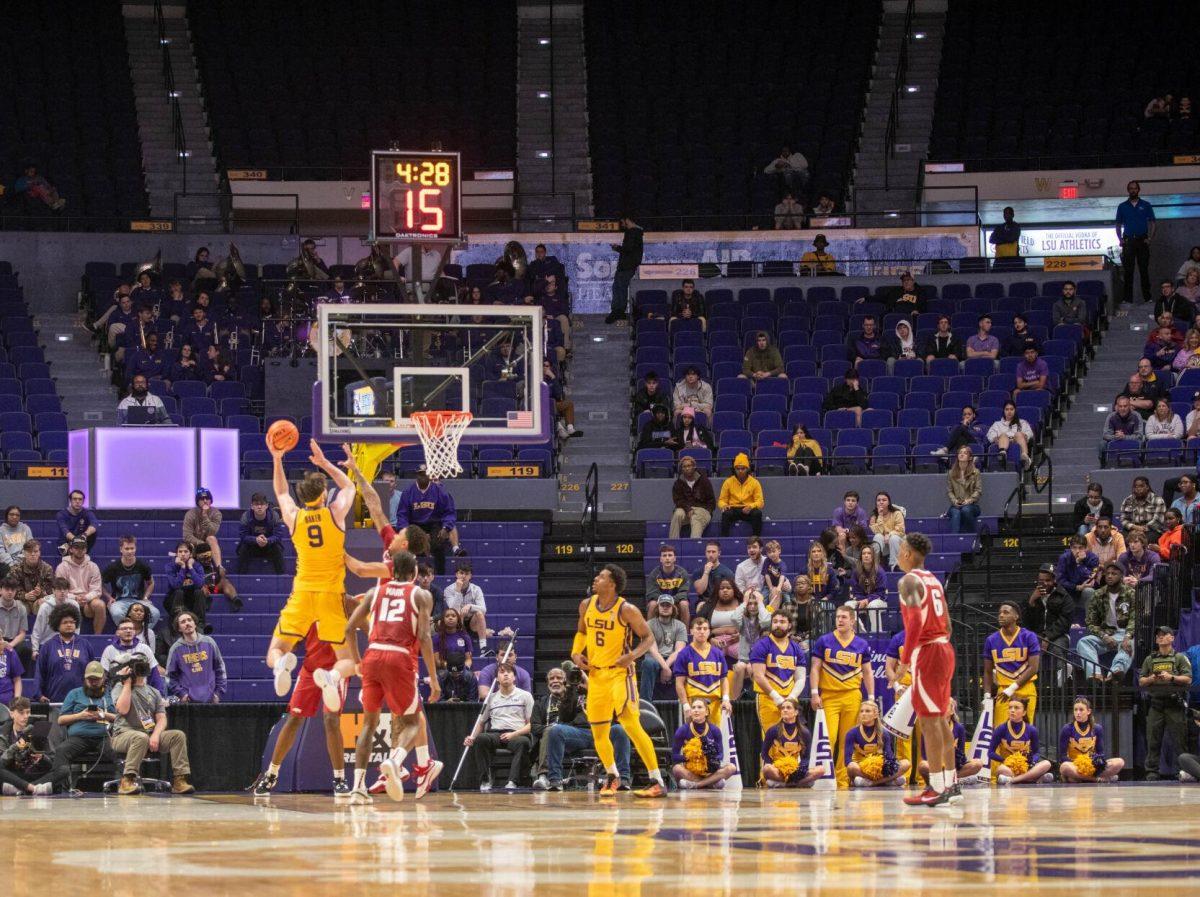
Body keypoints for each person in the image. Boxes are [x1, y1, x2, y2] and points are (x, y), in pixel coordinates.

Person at [343, 550, 442, 802]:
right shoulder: (421, 594)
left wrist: (357, 662)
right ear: (414, 572)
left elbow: (349, 627)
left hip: (372, 655)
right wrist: (434, 678)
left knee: (369, 724)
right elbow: (424, 637)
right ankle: (395, 762)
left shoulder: (375, 592)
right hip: (398, 656)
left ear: (391, 571)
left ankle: (357, 788)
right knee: (412, 721)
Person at [266, 438, 357, 710]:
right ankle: (332, 676)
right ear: (323, 494)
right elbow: (349, 485)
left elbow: (281, 492)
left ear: (303, 497)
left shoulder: (294, 517)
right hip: (330, 595)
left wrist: (277, 458)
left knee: (275, 650)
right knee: (348, 662)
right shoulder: (335, 513)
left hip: (303, 592)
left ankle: (281, 665)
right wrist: (324, 463)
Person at [570, 564, 667, 797]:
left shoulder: (627, 609)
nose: (596, 579)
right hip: (596, 675)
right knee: (599, 732)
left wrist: (632, 655)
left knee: (630, 724)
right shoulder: (587, 605)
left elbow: (648, 637)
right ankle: (612, 776)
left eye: (601, 577)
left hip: (620, 674)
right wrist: (575, 653)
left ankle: (657, 780)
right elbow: (582, 632)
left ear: (612, 584)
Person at [250, 625, 351, 797]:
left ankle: (340, 779)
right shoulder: (308, 606)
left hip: (336, 671)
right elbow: (293, 641)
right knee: (294, 718)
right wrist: (288, 647)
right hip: (310, 670)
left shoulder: (342, 604)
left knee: (331, 720)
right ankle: (271, 774)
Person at [534, 666, 632, 791]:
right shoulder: (573, 691)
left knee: (619, 729)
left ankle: (623, 779)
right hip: (580, 733)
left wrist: (592, 688)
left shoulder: (605, 686)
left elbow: (616, 713)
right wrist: (570, 689)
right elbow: (565, 717)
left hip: (604, 730)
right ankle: (555, 780)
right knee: (555, 730)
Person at [109, 651, 194, 794]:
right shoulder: (120, 687)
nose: (140, 669)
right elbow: (122, 710)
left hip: (148, 734)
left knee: (177, 736)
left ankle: (179, 780)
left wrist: (155, 735)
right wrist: (127, 682)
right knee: (140, 737)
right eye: (137, 666)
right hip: (122, 735)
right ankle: (127, 780)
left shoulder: (154, 692)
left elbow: (161, 718)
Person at [810, 605, 873, 788]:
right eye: (838, 617)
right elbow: (815, 668)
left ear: (852, 620)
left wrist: (870, 696)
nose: (840, 620)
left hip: (853, 695)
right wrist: (815, 693)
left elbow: (868, 672)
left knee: (848, 740)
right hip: (829, 695)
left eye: (844, 617)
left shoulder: (861, 644)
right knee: (828, 738)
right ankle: (824, 777)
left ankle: (843, 779)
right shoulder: (824, 640)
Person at [51, 661, 116, 793]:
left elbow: (119, 718)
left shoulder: (110, 695)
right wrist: (80, 716)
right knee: (61, 751)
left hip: (104, 736)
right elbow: (61, 720)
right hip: (79, 737)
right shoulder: (74, 694)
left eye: (96, 679)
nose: (93, 682)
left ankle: (122, 785)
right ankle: (62, 788)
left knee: (119, 752)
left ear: (103, 679)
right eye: (90, 679)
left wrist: (103, 715)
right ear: (84, 678)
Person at [394, 465, 467, 574]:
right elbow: (402, 514)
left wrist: (446, 527)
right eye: (420, 474)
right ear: (416, 476)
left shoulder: (440, 491)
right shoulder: (408, 492)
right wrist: (404, 530)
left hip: (434, 522)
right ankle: (409, 574)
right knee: (411, 545)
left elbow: (449, 511)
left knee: (438, 545)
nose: (423, 477)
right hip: (415, 524)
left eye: (425, 474)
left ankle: (441, 574)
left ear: (430, 475)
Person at [1141, 626, 1192, 780]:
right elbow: (1141, 680)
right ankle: (1151, 771)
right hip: (1156, 704)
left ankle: (1182, 770)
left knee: (1179, 740)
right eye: (1158, 635)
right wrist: (1151, 679)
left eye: (1164, 635)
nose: (1160, 637)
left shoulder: (1179, 658)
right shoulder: (1150, 659)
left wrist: (1171, 678)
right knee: (1152, 740)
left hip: (1174, 704)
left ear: (1172, 638)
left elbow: (1188, 679)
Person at [749, 609, 807, 735]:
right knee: (771, 740)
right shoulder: (762, 645)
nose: (778, 625)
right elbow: (758, 676)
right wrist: (777, 698)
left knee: (792, 739)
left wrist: (791, 698)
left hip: (790, 698)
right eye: (775, 621)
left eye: (782, 622)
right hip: (768, 698)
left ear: (789, 625)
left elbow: (801, 678)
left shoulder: (796, 648)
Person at [984, 600, 1041, 724]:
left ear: (1016, 616)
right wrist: (987, 696)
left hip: (1026, 688)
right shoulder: (991, 640)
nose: (1001, 615)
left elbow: (1033, 668)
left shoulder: (1029, 636)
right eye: (1000, 613)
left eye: (1006, 612)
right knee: (1000, 731)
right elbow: (988, 672)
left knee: (1025, 733)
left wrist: (1013, 687)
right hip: (1003, 691)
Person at [673, 615, 733, 728]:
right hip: (693, 702)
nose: (702, 632)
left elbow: (724, 679)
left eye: (705, 629)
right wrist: (685, 705)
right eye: (698, 628)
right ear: (691, 631)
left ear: (709, 631)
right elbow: (679, 683)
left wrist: (726, 699)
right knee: (693, 740)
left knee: (715, 740)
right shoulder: (684, 654)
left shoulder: (718, 653)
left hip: (715, 703)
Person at [671, 697, 737, 790]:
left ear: (706, 712)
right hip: (691, 771)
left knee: (731, 767)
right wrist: (690, 757)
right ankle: (712, 784)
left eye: (699, 707)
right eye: (693, 707)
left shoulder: (715, 730)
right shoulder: (683, 730)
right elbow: (674, 756)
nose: (696, 710)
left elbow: (721, 754)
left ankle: (697, 785)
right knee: (676, 769)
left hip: (709, 771)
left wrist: (708, 758)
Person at [761, 698, 828, 787]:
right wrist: (774, 765)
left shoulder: (805, 732)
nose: (784, 710)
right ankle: (795, 783)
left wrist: (800, 770)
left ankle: (787, 783)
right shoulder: (773, 730)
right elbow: (764, 754)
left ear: (796, 712)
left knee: (821, 769)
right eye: (783, 708)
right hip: (778, 770)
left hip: (796, 769)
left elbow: (806, 757)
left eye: (788, 708)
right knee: (766, 769)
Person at [917, 699, 984, 788]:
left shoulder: (959, 728)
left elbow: (961, 754)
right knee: (923, 765)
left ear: (952, 711)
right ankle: (953, 781)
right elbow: (925, 754)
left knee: (978, 763)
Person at [1058, 697, 1124, 783]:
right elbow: (1062, 756)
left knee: (1119, 762)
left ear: (1088, 711)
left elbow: (1101, 753)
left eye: (1081, 710)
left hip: (1092, 765)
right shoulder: (1067, 729)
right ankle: (1096, 779)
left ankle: (1079, 778)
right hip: (1074, 765)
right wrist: (1079, 764)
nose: (1078, 713)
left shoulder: (1097, 728)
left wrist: (1096, 763)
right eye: (1075, 710)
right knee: (1064, 767)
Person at [166, 611, 227, 703]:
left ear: (194, 624)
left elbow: (220, 669)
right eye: (183, 622)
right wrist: (182, 694)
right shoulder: (175, 649)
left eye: (189, 620)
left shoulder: (209, 642)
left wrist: (218, 693)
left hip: (211, 699)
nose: (187, 623)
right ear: (179, 628)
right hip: (188, 701)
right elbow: (170, 676)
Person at [988, 697, 1053, 785]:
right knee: (1001, 769)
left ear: (1024, 712)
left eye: (1016, 708)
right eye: (1010, 707)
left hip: (1027, 767)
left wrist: (1032, 762)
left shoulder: (1031, 730)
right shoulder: (1001, 729)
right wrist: (1004, 760)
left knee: (1047, 763)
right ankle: (1032, 778)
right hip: (1008, 767)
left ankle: (1013, 780)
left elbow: (1036, 752)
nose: (1012, 710)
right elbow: (990, 752)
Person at [845, 700, 909, 787]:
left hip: (880, 769)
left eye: (867, 711)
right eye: (861, 711)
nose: (863, 714)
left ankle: (872, 783)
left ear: (875, 715)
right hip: (861, 769)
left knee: (906, 763)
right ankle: (887, 781)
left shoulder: (884, 733)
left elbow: (890, 757)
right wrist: (867, 766)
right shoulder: (852, 733)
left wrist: (878, 766)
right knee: (851, 766)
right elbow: (847, 761)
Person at [0, 697, 55, 796]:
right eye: (21, 713)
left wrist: (42, 758)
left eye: (28, 712)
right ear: (12, 714)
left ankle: (20, 788)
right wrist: (16, 747)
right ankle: (33, 789)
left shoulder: (37, 730)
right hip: (13, 774)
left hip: (33, 774)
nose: (25, 716)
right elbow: (2, 763)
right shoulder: (3, 733)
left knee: (63, 770)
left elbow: (52, 762)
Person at [102, 535, 158, 628]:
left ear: (135, 548)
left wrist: (146, 597)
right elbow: (100, 584)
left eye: (132, 548)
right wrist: (109, 597)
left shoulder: (142, 566)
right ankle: (129, 632)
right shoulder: (113, 567)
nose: (130, 551)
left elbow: (151, 582)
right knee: (117, 613)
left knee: (155, 613)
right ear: (121, 549)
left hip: (139, 601)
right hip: (119, 601)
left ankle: (141, 634)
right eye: (127, 548)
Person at [640, 594, 687, 701]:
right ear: (657, 607)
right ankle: (645, 702)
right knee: (648, 663)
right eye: (662, 605)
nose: (665, 607)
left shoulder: (680, 626)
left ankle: (683, 702)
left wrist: (667, 665)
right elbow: (653, 650)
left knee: (684, 661)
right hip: (654, 658)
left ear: (673, 608)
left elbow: (679, 650)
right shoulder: (649, 625)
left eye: (668, 605)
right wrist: (665, 668)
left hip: (672, 657)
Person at [1115, 180, 1156, 306]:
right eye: (1131, 188)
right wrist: (1120, 239)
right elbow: (1118, 224)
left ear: (1138, 190)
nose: (1133, 190)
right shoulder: (1122, 206)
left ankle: (1147, 298)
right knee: (1128, 271)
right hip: (1129, 240)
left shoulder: (1146, 205)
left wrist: (1150, 238)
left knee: (1144, 270)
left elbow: (1153, 222)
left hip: (1142, 240)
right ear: (1128, 190)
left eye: (1135, 188)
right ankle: (1127, 299)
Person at [56, 537, 105, 634]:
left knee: (100, 605)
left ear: (86, 549)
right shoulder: (62, 567)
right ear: (71, 549)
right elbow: (60, 589)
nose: (79, 550)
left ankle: (97, 637)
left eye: (82, 547)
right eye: (76, 547)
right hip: (68, 599)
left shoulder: (93, 566)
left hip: (88, 601)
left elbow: (97, 590)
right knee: (60, 601)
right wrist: (75, 598)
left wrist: (86, 597)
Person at [443, 561, 494, 655]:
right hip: (457, 621)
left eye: (467, 574)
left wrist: (470, 606)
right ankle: (460, 646)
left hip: (473, 623)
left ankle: (483, 647)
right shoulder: (448, 590)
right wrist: (458, 590)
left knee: (479, 613)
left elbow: (483, 609)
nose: (464, 576)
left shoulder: (476, 589)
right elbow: (454, 610)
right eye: (461, 573)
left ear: (470, 576)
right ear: (456, 574)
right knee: (458, 613)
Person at [432, 608, 477, 702]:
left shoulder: (465, 636)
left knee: (469, 675)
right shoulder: (437, 638)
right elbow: (437, 661)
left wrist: (461, 667)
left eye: (453, 616)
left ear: (458, 619)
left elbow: (469, 659)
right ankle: (442, 701)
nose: (450, 618)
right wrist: (451, 667)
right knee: (439, 676)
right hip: (445, 670)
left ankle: (469, 702)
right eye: (447, 616)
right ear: (443, 620)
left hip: (462, 669)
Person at [606, 216, 644, 324]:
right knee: (618, 287)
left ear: (627, 220)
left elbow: (628, 249)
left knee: (619, 288)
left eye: (622, 221)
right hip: (627, 265)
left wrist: (616, 248)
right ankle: (618, 311)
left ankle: (618, 311)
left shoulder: (632, 232)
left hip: (626, 266)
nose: (621, 224)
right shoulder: (637, 233)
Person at [236, 492, 286, 574]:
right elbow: (243, 536)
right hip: (252, 546)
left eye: (262, 504)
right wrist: (255, 540)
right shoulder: (246, 516)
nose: (259, 507)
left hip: (269, 546)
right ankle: (240, 576)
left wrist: (268, 541)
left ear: (266, 506)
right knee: (243, 548)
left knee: (277, 548)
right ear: (252, 506)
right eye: (256, 504)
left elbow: (278, 535)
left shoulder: (274, 516)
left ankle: (281, 576)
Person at [717, 453, 764, 537]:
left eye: (743, 468)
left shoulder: (754, 482)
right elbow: (721, 500)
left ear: (748, 469)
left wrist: (751, 506)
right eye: (738, 468)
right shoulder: (728, 482)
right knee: (725, 514)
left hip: (748, 509)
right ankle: (724, 539)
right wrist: (724, 506)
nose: (740, 471)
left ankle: (756, 539)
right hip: (733, 508)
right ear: (734, 469)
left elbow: (760, 502)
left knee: (757, 514)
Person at [669, 455, 716, 539]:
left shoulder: (704, 481)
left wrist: (708, 511)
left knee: (695, 518)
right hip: (685, 509)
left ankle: (694, 545)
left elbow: (711, 500)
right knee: (677, 514)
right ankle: (672, 543)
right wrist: (688, 509)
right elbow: (678, 500)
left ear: (694, 467)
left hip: (702, 510)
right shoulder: (678, 483)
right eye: (684, 466)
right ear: (681, 469)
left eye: (689, 466)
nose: (687, 468)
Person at [30, 577, 73, 660]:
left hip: (66, 645)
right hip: (47, 644)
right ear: (53, 591)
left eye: (65, 589)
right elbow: (37, 630)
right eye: (59, 589)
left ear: (68, 591)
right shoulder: (45, 607)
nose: (62, 592)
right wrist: (35, 649)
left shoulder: (73, 606)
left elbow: (76, 630)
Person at [943, 445, 982, 534]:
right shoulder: (951, 473)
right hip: (956, 505)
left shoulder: (975, 472)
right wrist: (954, 501)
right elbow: (949, 491)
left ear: (970, 457)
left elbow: (978, 490)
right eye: (960, 453)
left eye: (965, 453)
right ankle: (955, 540)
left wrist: (969, 500)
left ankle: (972, 537)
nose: (961, 454)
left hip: (971, 505)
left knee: (966, 510)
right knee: (956, 513)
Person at [1056, 534, 1100, 612]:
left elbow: (1090, 579)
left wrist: (1079, 564)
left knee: (1089, 591)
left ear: (1086, 548)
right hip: (1069, 592)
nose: (1077, 551)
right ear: (1070, 548)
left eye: (1080, 548)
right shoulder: (1064, 558)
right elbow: (1060, 580)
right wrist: (1076, 587)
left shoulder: (1093, 559)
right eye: (1074, 548)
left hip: (1084, 594)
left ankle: (1090, 621)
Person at [988, 401, 1034, 468]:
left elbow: (1029, 433)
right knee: (1003, 435)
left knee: (1019, 434)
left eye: (1011, 409)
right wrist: (995, 439)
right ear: (1004, 411)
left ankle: (1025, 458)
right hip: (1002, 443)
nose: (1009, 411)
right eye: (1007, 409)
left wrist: (1025, 436)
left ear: (1015, 410)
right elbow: (990, 434)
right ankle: (1002, 455)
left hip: (1017, 442)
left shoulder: (1023, 422)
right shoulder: (997, 424)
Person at [1120, 475, 1167, 541]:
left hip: (1151, 530)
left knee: (1142, 541)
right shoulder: (1128, 500)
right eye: (1135, 486)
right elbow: (1123, 519)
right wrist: (1135, 527)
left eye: (1141, 486)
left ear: (1147, 487)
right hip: (1132, 529)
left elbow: (1158, 521)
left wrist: (1143, 529)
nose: (1138, 489)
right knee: (1120, 539)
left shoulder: (1158, 500)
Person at [692, 540, 735, 609]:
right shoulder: (698, 572)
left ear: (719, 553)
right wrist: (706, 572)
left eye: (713, 552)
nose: (711, 555)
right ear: (705, 553)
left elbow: (731, 592)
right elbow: (700, 591)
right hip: (704, 601)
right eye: (708, 552)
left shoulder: (727, 572)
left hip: (722, 600)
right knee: (701, 606)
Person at [869, 491, 905, 567]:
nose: (881, 502)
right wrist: (880, 515)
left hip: (898, 543)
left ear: (889, 502)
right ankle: (875, 564)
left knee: (894, 538)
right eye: (879, 500)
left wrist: (889, 534)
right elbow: (877, 531)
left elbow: (901, 530)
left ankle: (894, 565)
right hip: (884, 545)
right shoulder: (874, 516)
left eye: (884, 500)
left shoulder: (897, 513)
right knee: (877, 536)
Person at [0, 579, 29, 670]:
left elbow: (22, 633)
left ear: (16, 591)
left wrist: (10, 645)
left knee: (26, 650)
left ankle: (22, 680)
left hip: (14, 641)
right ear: (0, 590)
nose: (10, 592)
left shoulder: (21, 608)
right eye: (7, 589)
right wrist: (2, 643)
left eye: (13, 590)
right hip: (0, 639)